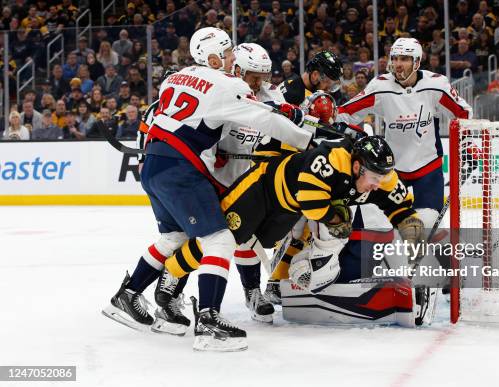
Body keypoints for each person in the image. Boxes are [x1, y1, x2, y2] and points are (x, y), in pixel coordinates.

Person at [102, 28, 315, 352]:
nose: (233, 59)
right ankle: (210, 320)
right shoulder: (228, 85)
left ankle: (127, 295)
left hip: (154, 165)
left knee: (175, 238)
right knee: (220, 238)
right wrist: (305, 141)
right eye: (228, 54)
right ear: (214, 58)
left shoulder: (175, 77)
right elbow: (266, 122)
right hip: (181, 170)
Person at [157, 136, 425, 319]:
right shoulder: (331, 160)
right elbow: (312, 205)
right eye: (374, 178)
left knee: (265, 243)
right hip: (261, 190)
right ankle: (172, 272)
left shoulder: (381, 178)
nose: (378, 184)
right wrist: (336, 219)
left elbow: (402, 209)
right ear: (357, 166)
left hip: (287, 207)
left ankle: (268, 286)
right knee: (221, 238)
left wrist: (414, 235)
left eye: (383, 178)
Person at [337, 38, 472, 233]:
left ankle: (435, 260)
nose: (398, 64)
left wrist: (467, 142)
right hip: (392, 169)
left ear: (417, 62)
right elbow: (346, 112)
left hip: (428, 167)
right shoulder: (380, 86)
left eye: (405, 59)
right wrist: (343, 131)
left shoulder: (436, 85)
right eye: (395, 58)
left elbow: (463, 114)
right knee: (380, 225)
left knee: (428, 225)